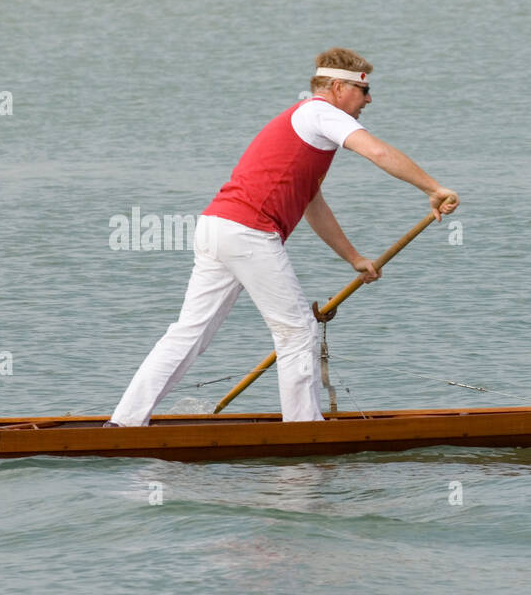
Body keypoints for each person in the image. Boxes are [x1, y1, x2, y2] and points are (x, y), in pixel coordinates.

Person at [108, 47, 458, 426]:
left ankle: (124, 423)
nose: (369, 100)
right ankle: (304, 429)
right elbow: (375, 150)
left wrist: (353, 258)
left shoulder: (309, 127)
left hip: (217, 227)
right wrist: (432, 188)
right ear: (339, 88)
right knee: (295, 331)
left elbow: (312, 204)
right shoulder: (319, 112)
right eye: (365, 90)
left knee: (189, 333)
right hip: (247, 232)